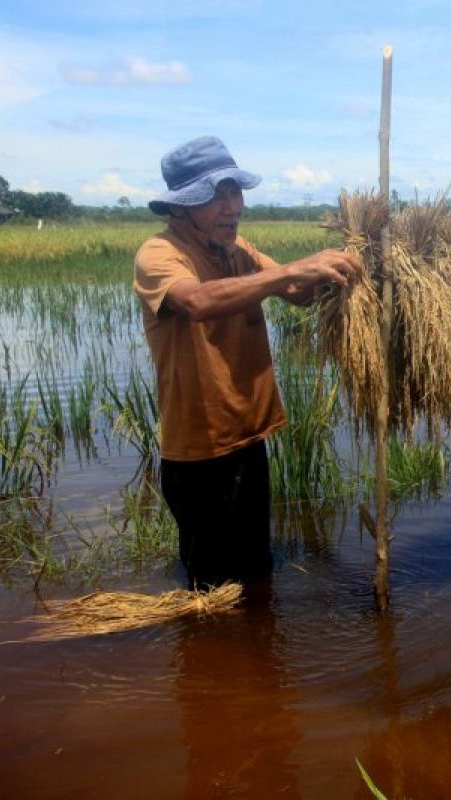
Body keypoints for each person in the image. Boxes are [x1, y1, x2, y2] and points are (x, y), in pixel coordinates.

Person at [134, 135, 361, 589]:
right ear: (180, 207)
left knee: (258, 573)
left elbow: (295, 292)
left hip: (248, 438)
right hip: (198, 452)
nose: (232, 207)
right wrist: (290, 271)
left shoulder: (240, 253)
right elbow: (196, 300)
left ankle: (256, 655)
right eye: (216, 197)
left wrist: (340, 269)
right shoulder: (159, 254)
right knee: (210, 591)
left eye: (235, 192)